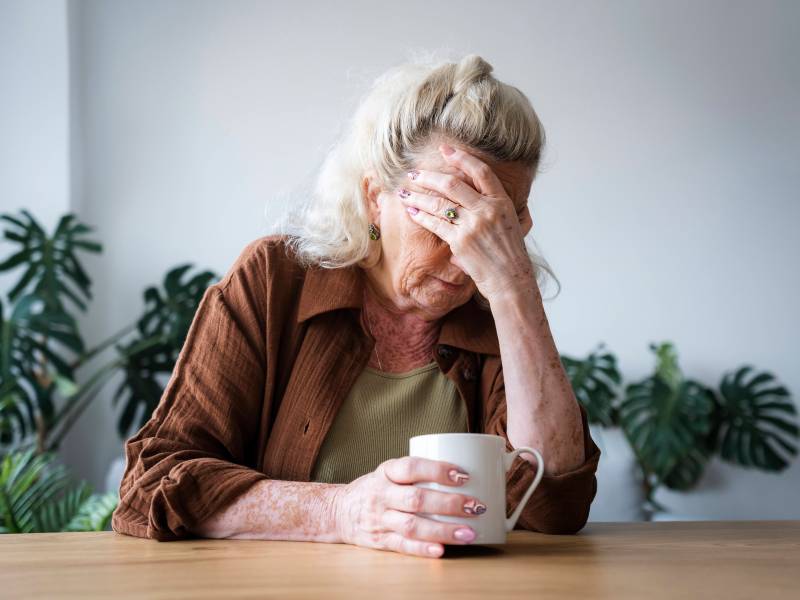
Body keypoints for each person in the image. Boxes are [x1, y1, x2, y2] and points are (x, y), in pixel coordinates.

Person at [111, 53, 600, 559]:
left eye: (493, 227)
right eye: (443, 215)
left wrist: (513, 287)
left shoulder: (497, 307)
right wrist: (342, 511)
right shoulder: (276, 281)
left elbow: (556, 506)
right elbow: (152, 484)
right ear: (373, 198)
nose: (464, 256)